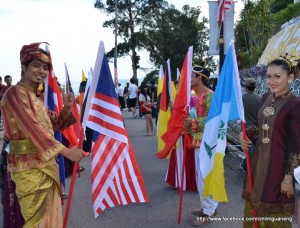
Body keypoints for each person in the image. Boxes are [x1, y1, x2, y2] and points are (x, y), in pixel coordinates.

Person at [0, 42, 84, 227]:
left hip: (45, 164)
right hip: (28, 168)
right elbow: (33, 129)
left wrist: (68, 108)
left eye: (45, 67)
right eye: (36, 65)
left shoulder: (35, 98)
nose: (42, 71)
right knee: (36, 222)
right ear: (23, 67)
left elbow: (54, 123)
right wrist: (67, 152)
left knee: (51, 219)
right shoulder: (14, 94)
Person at [239, 58, 300, 227]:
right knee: (252, 213)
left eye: (277, 76)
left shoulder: (295, 105)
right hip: (258, 164)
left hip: (279, 170)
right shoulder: (265, 97)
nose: (271, 81)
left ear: (290, 77)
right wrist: (245, 136)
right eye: (268, 77)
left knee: (274, 218)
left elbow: (297, 146)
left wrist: (288, 179)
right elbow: (260, 127)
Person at [182, 65, 215, 226]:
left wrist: (193, 121)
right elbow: (196, 118)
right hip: (197, 140)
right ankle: (206, 206)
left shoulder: (210, 95)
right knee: (199, 176)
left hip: (208, 142)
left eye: (192, 76)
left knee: (206, 175)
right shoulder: (195, 96)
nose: (189, 79)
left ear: (199, 77)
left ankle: (209, 211)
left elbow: (213, 120)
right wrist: (188, 124)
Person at [239, 78, 261, 172]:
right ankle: (247, 166)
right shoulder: (260, 98)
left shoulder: (242, 98)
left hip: (245, 127)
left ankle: (246, 166)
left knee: (248, 150)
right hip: (256, 128)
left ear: (246, 87)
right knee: (255, 149)